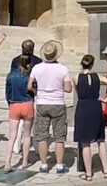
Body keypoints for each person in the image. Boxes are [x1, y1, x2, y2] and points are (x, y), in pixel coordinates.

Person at [28, 40, 73, 174]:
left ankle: (44, 165)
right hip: (58, 103)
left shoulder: (37, 68)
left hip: (42, 102)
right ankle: (59, 165)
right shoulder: (63, 68)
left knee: (42, 136)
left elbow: (30, 85)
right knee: (59, 136)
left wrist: (38, 92)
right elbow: (68, 89)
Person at [75, 54, 107, 180]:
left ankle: (88, 174)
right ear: (92, 65)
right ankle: (106, 170)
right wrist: (106, 99)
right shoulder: (98, 77)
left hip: (83, 107)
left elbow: (78, 92)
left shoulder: (76, 77)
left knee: (85, 143)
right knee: (100, 140)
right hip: (95, 106)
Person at [9, 39, 42, 155]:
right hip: (32, 93)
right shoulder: (38, 61)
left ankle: (16, 147)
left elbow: (12, 77)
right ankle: (37, 147)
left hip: (18, 94)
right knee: (33, 122)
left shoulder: (15, 60)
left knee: (18, 123)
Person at [3, 55, 35, 172]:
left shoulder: (10, 75)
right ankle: (25, 161)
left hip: (14, 105)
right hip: (27, 104)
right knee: (27, 136)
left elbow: (7, 92)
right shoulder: (29, 76)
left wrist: (10, 104)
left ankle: (7, 163)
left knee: (12, 136)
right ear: (28, 64)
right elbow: (33, 91)